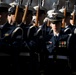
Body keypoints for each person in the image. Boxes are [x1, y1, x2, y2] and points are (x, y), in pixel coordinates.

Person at [43, 8, 71, 75]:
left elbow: (72, 53)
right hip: (49, 67)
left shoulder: (67, 37)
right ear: (50, 25)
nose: (55, 25)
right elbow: (43, 53)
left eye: (57, 23)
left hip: (62, 67)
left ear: (61, 24)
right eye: (53, 23)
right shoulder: (47, 38)